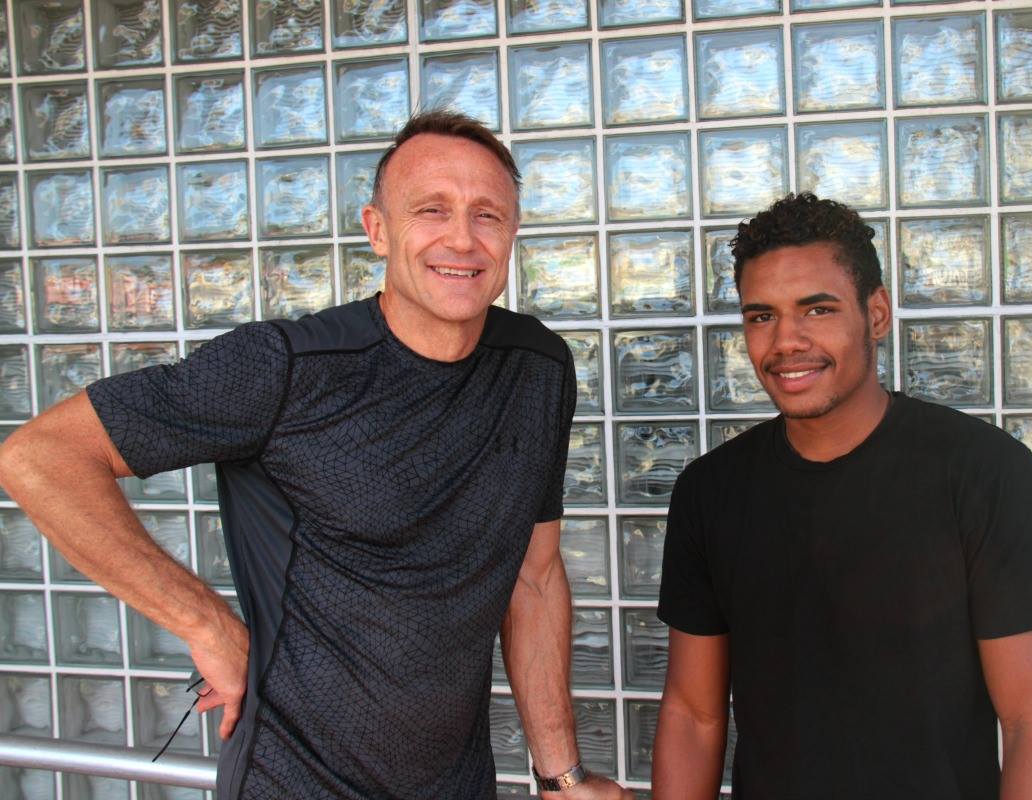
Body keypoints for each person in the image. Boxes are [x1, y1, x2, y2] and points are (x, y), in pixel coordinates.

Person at [0, 110, 631, 800]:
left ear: (512, 233)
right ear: (377, 230)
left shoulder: (536, 369)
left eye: (488, 215)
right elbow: (42, 456)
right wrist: (204, 622)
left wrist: (561, 776)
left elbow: (533, 579)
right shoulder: (286, 367)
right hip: (294, 779)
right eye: (430, 210)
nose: (461, 238)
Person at [651, 192, 1032, 799]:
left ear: (876, 314)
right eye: (762, 316)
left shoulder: (984, 472)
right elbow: (693, 715)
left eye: (818, 309)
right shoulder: (710, 490)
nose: (786, 341)